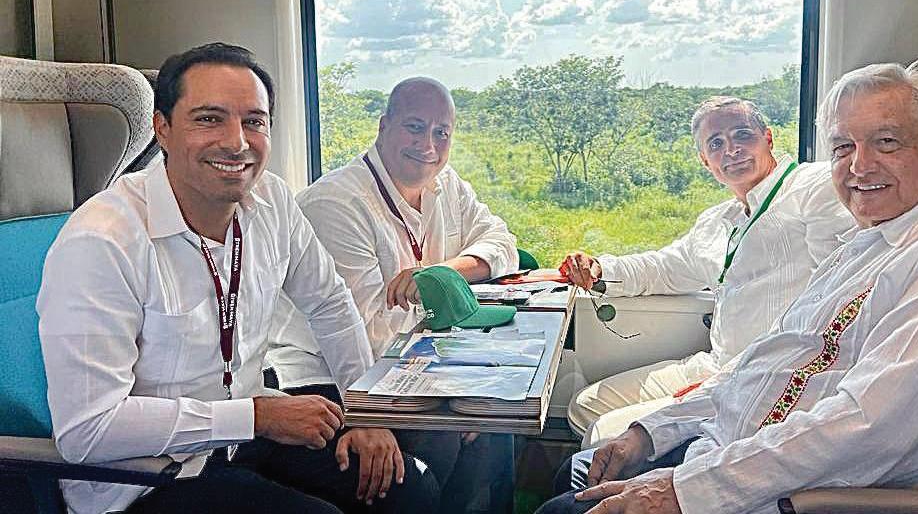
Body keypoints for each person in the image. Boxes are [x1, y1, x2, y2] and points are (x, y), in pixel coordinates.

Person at [537, 63, 918, 514]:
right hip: (740, 455)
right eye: (843, 148)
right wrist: (649, 433)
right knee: (581, 470)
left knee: (562, 508)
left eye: (887, 142)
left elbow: (874, 425)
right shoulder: (867, 242)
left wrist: (684, 490)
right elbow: (764, 361)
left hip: (818, 497)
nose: (860, 167)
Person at [37, 43, 439, 514]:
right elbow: (88, 430)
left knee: (409, 487)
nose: (237, 142)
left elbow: (328, 301)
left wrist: (363, 412)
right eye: (209, 119)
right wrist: (255, 416)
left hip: (241, 441)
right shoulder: (103, 241)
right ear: (162, 128)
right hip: (143, 480)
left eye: (254, 121)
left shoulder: (271, 202)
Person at [266, 76, 518, 511]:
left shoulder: (445, 185)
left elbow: (503, 244)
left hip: (404, 363)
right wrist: (455, 391)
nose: (429, 145)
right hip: (324, 375)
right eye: (415, 127)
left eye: (442, 132)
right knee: (440, 446)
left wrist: (441, 272)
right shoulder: (336, 205)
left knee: (497, 430)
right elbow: (365, 336)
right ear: (383, 126)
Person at [561, 96, 855, 445]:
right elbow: (665, 268)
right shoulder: (717, 221)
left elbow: (833, 300)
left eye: (742, 135)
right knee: (585, 406)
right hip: (716, 364)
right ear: (705, 161)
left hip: (766, 377)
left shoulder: (814, 187)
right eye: (716, 144)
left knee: (604, 433)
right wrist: (598, 270)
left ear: (768, 138)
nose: (731, 150)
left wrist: (725, 382)